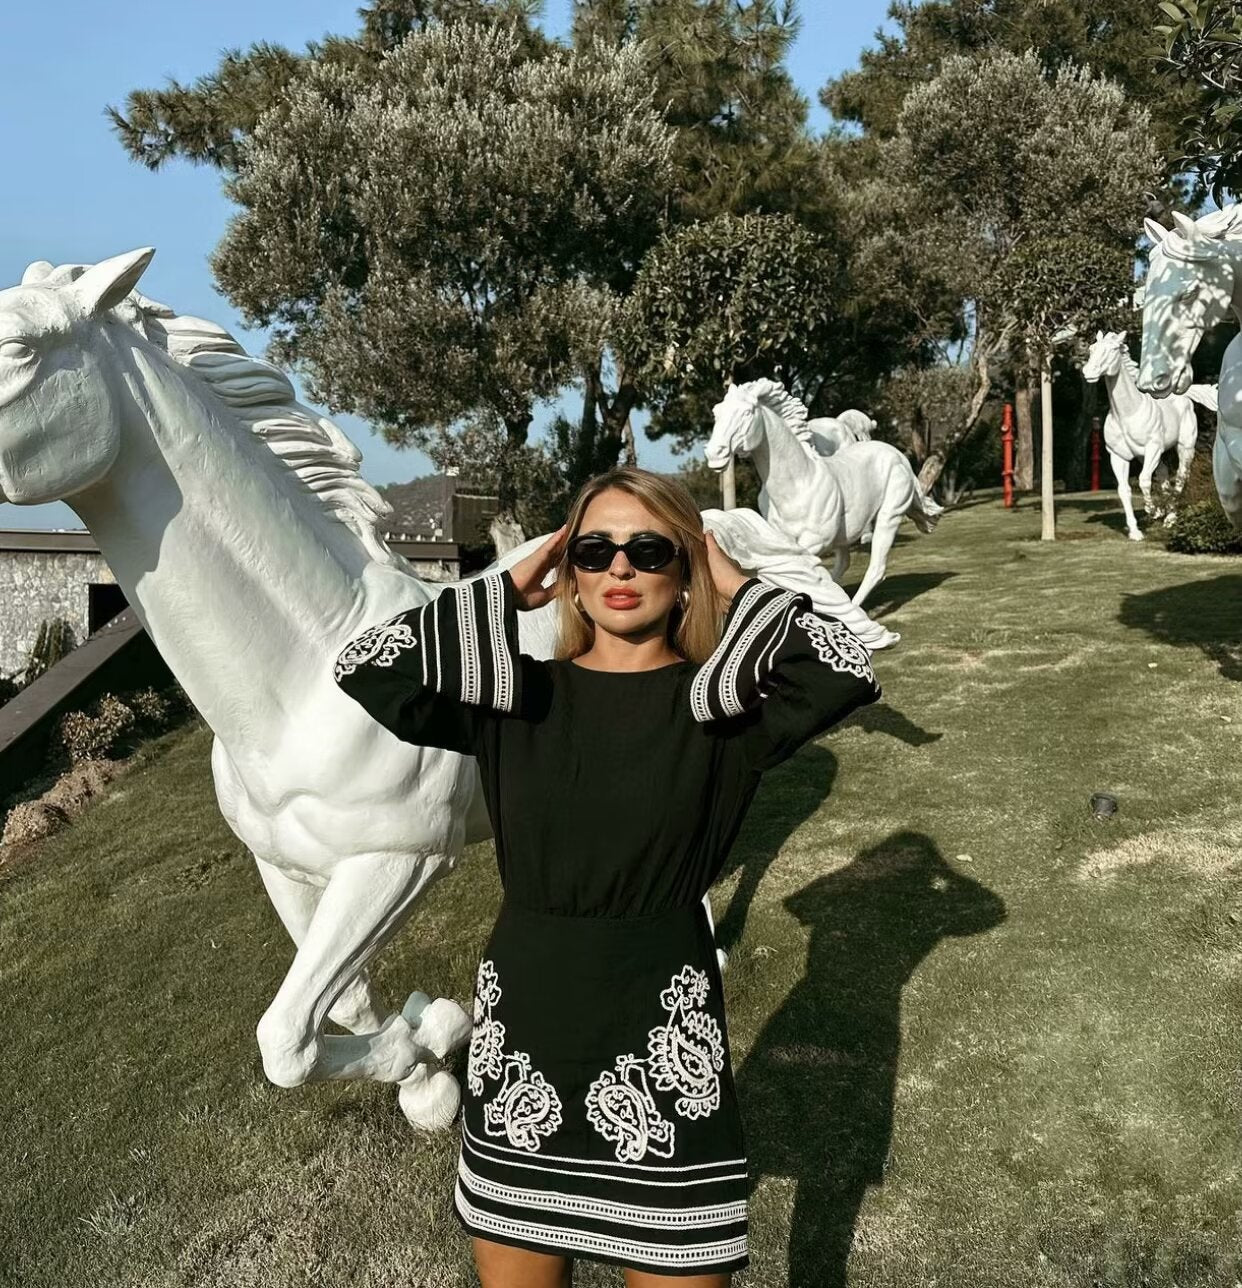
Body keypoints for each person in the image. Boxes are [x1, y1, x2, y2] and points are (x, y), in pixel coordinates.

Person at [332, 467, 881, 1287]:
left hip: (662, 1053)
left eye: (649, 549)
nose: (619, 568)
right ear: (571, 573)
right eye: (594, 549)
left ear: (685, 567)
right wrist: (502, 587)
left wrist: (737, 589)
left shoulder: (719, 705)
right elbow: (366, 664)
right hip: (527, 1046)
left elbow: (843, 665)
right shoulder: (517, 695)